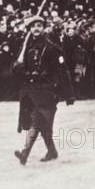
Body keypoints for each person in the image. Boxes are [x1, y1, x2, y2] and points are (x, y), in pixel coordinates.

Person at [11, 15, 74, 165]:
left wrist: (69, 93)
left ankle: (25, 152)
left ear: (44, 28)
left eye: (39, 25)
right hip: (30, 91)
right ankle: (51, 150)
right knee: (42, 122)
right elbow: (17, 68)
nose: (36, 28)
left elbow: (62, 71)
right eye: (33, 26)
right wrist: (18, 67)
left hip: (46, 90)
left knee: (38, 121)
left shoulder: (52, 47)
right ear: (29, 29)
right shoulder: (26, 47)